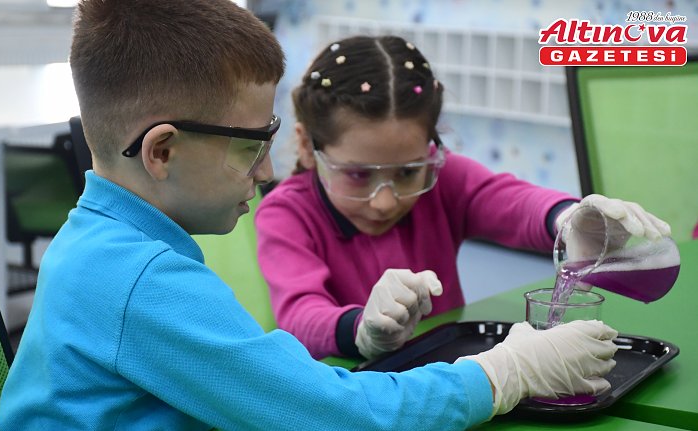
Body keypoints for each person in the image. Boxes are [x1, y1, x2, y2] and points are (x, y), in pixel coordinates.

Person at [0, 2, 618, 429]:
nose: (266, 173)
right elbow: (333, 416)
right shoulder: (138, 281)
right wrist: (503, 372)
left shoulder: (102, 244)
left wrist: (566, 217)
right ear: (161, 150)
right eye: (250, 147)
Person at [254, 35, 672, 360]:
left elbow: (510, 202)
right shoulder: (286, 214)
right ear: (308, 146)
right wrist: (361, 329)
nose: (384, 201)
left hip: (449, 378)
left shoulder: (444, 180)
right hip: (347, 393)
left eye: (407, 172)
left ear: (433, 151)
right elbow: (299, 315)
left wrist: (570, 221)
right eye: (358, 175)